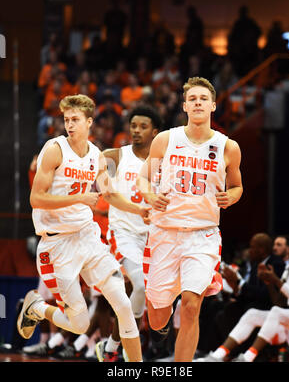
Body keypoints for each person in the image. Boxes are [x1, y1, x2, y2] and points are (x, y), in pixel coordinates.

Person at [17, 94, 151, 362]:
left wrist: (140, 210)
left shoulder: (96, 156)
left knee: (123, 304)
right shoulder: (54, 149)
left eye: (75, 119)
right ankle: (37, 307)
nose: (70, 125)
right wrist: (79, 198)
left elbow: (110, 195)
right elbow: (36, 198)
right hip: (57, 244)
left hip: (87, 237)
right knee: (78, 324)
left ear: (89, 122)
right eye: (66, 120)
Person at [136, 76, 243, 362]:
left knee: (192, 306)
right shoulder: (166, 139)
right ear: (185, 105)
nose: (198, 102)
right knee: (157, 318)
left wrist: (232, 196)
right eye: (192, 99)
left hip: (202, 234)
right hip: (165, 233)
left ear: (213, 106)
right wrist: (149, 196)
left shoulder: (227, 147)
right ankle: (162, 314)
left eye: (203, 99)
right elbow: (144, 179)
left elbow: (237, 186)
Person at [95, 104, 161, 362]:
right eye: (133, 125)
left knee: (145, 293)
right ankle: (126, 351)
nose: (136, 130)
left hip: (152, 236)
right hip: (122, 233)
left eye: (143, 126)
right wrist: (138, 208)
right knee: (140, 287)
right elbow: (107, 194)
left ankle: (111, 347)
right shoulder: (113, 156)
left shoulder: (164, 162)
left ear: (155, 132)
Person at [196, 239, 289, 362]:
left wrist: (276, 280)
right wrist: (269, 282)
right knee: (252, 313)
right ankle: (217, 356)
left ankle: (247, 357)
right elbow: (279, 302)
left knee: (276, 311)